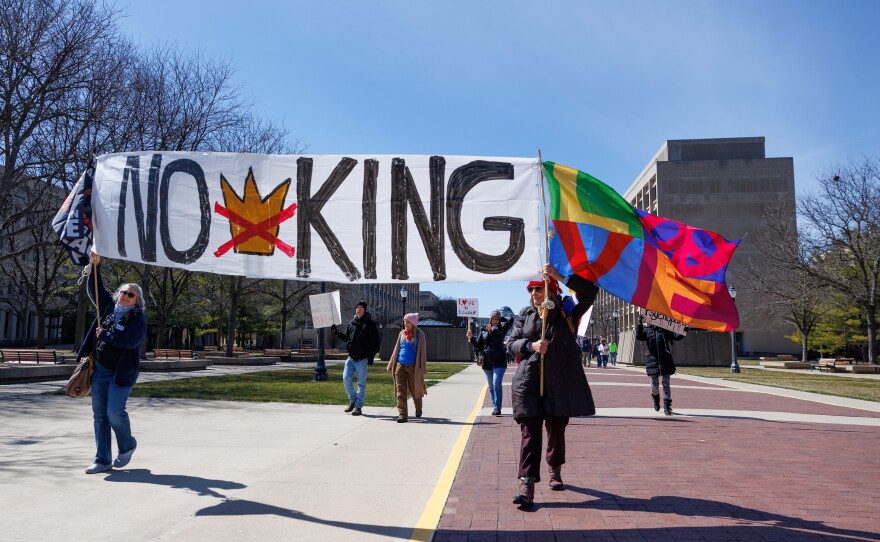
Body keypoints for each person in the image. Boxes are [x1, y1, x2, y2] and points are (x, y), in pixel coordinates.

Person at [507, 263, 598, 507]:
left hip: (558, 381)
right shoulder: (525, 314)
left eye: (538, 288)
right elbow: (512, 344)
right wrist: (530, 346)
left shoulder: (568, 312)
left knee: (556, 430)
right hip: (528, 381)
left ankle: (554, 467)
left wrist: (560, 275)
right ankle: (526, 483)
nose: (534, 293)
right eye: (531, 290)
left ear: (551, 290)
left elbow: (590, 293)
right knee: (529, 433)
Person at [77, 253, 147, 474]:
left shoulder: (137, 318)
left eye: (131, 294)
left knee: (114, 413)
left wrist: (106, 335)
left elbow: (130, 341)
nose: (125, 296)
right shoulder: (107, 308)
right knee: (100, 416)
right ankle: (102, 460)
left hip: (121, 374)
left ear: (136, 300)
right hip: (99, 371)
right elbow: (96, 289)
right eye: (123, 292)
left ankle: (127, 445)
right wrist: (95, 266)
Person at [331, 300, 380, 416]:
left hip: (362, 359)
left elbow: (376, 343)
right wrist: (336, 332)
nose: (358, 309)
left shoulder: (370, 324)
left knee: (361, 383)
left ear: (365, 310)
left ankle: (358, 407)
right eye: (357, 307)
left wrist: (371, 356)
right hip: (351, 358)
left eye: (361, 307)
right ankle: (353, 400)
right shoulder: (351, 323)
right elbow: (347, 338)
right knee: (346, 378)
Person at [467, 310, 514, 416]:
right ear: (490, 319)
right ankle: (495, 406)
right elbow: (478, 345)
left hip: (500, 362)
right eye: (494, 318)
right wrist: (471, 337)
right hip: (487, 362)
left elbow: (511, 320)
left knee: (496, 383)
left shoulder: (502, 330)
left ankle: (497, 407)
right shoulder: (484, 331)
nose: (495, 321)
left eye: (497, 319)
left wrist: (502, 318)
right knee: (491, 386)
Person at [636, 315, 684, 415]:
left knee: (666, 384)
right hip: (652, 361)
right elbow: (639, 337)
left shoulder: (665, 330)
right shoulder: (647, 330)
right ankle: (656, 399)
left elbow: (676, 336)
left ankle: (667, 406)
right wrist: (640, 323)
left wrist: (684, 329)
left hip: (665, 360)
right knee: (654, 385)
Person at [387, 313, 427, 423]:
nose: (405, 323)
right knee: (400, 391)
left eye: (408, 321)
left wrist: (422, 368)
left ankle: (418, 408)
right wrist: (391, 364)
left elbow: (423, 352)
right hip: (400, 365)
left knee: (415, 391)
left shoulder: (420, 335)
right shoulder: (402, 333)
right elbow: (396, 349)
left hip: (414, 367)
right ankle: (403, 415)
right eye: (404, 321)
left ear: (413, 323)